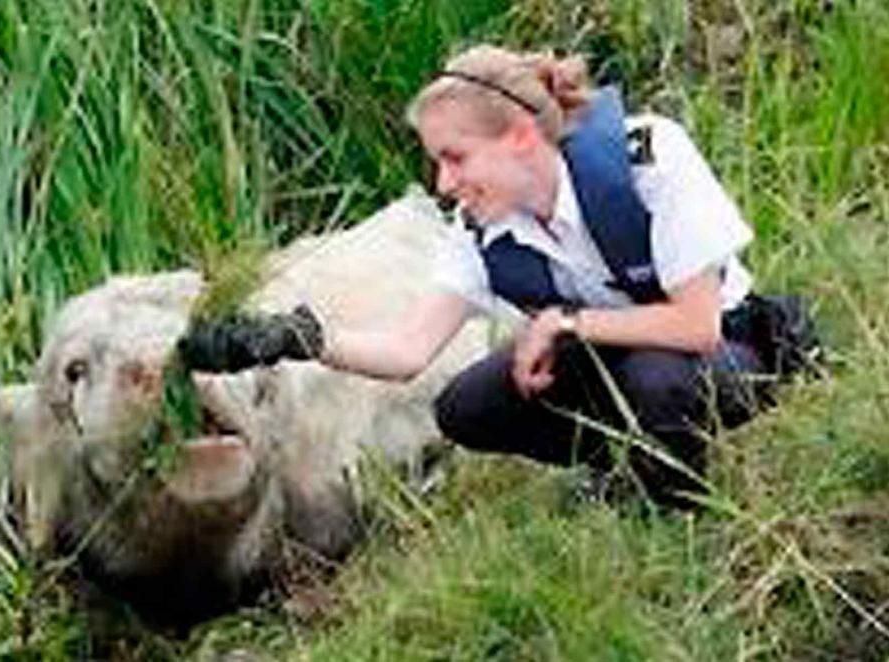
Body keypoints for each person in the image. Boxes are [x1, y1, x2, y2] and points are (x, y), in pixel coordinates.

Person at [178, 44, 796, 508]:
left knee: (656, 379)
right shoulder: (480, 231)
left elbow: (697, 325)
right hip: (617, 360)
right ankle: (626, 463)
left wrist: (565, 323)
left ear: (521, 136)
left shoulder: (649, 155)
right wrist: (299, 339)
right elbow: (405, 351)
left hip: (728, 350)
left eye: (455, 158)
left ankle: (677, 507)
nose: (445, 184)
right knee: (468, 407)